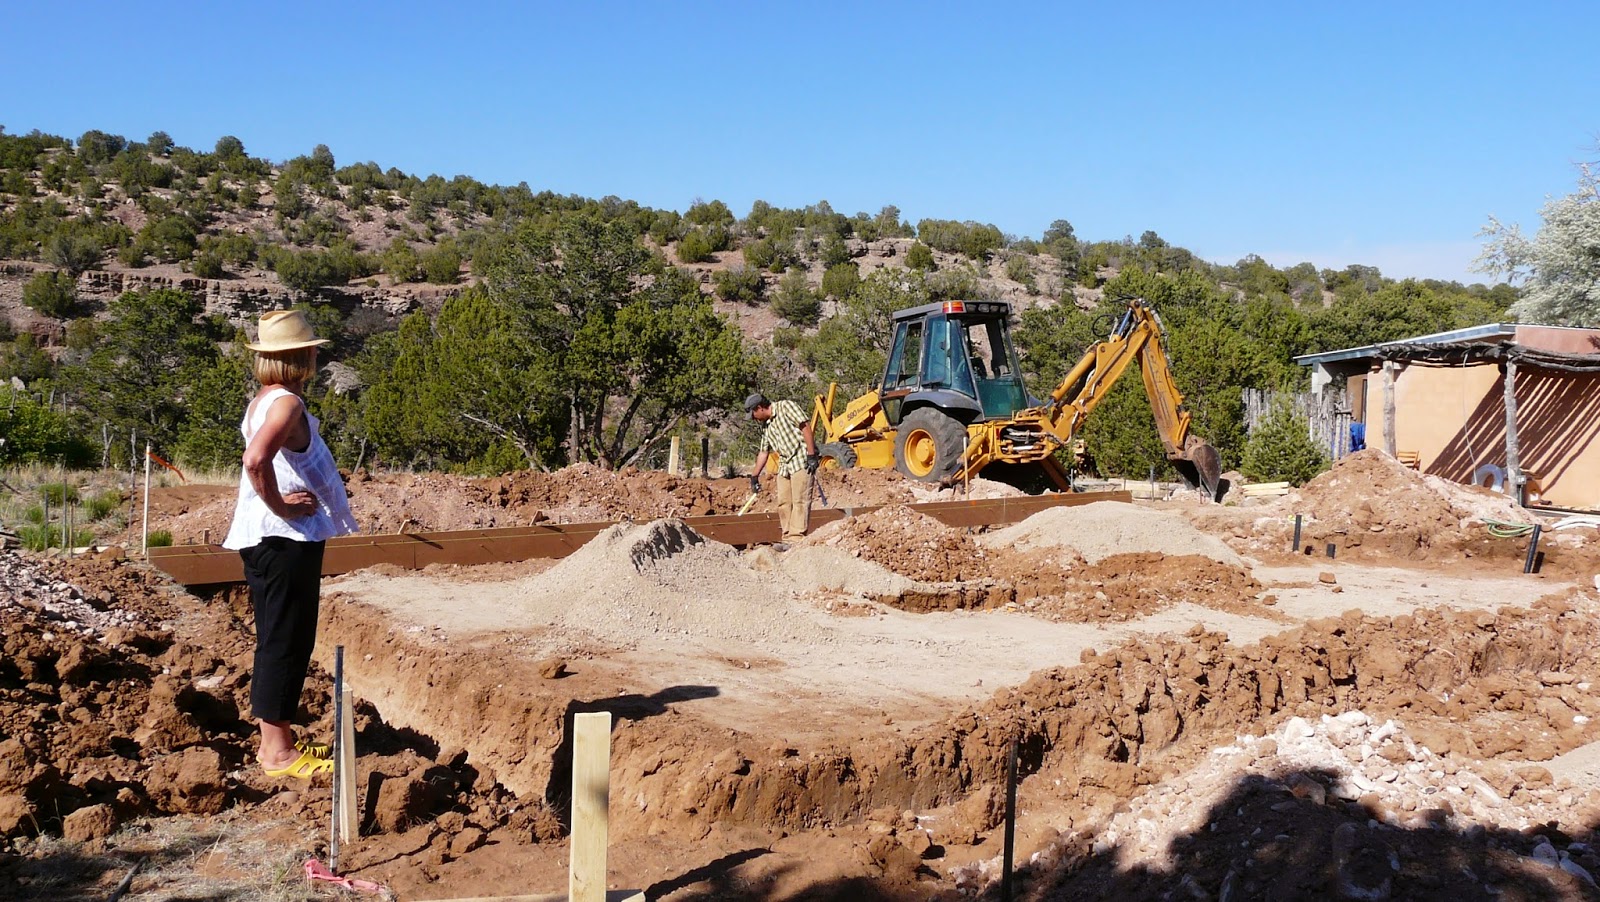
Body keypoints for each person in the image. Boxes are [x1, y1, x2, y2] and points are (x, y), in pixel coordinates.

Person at [222, 310, 359, 779]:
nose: (317, 354)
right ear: (301, 356)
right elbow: (255, 459)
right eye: (313, 348)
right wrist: (281, 506)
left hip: (270, 539)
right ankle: (277, 754)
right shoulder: (287, 405)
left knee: (279, 634)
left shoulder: (265, 399)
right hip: (283, 539)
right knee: (285, 638)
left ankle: (277, 741)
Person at [745, 392, 819, 547]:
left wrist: (811, 455)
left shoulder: (786, 407)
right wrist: (754, 476)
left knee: (800, 501)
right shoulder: (766, 426)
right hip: (785, 465)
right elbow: (764, 451)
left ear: (759, 408)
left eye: (753, 414)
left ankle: (796, 538)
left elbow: (805, 426)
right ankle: (787, 537)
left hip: (801, 460)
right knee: (784, 502)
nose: (754, 418)